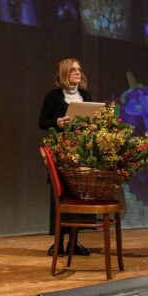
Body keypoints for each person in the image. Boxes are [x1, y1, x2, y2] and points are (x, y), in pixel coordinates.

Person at [38, 58, 93, 257]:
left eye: (79, 69)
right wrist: (58, 122)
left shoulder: (85, 96)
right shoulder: (53, 97)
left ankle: (74, 242)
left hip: (82, 151)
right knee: (60, 196)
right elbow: (42, 122)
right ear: (64, 73)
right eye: (73, 70)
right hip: (61, 151)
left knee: (78, 195)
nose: (78, 72)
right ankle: (58, 242)